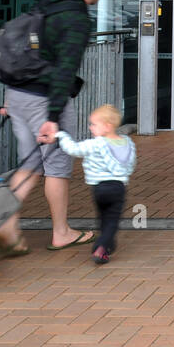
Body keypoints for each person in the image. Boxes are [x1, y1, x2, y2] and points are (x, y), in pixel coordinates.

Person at [0, 0, 107, 255]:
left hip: (17, 92)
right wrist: (53, 117)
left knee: (29, 164)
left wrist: (11, 96)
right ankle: (61, 232)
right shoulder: (76, 18)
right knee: (57, 167)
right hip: (43, 99)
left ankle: (7, 222)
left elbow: (23, 49)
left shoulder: (47, 2)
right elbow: (64, 69)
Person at [53, 104, 136, 265]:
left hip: (99, 189)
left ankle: (105, 244)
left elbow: (74, 149)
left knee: (103, 217)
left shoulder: (95, 144)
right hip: (118, 188)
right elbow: (131, 164)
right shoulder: (127, 143)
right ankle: (103, 246)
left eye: (93, 124)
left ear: (107, 126)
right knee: (112, 220)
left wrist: (61, 135)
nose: (90, 127)